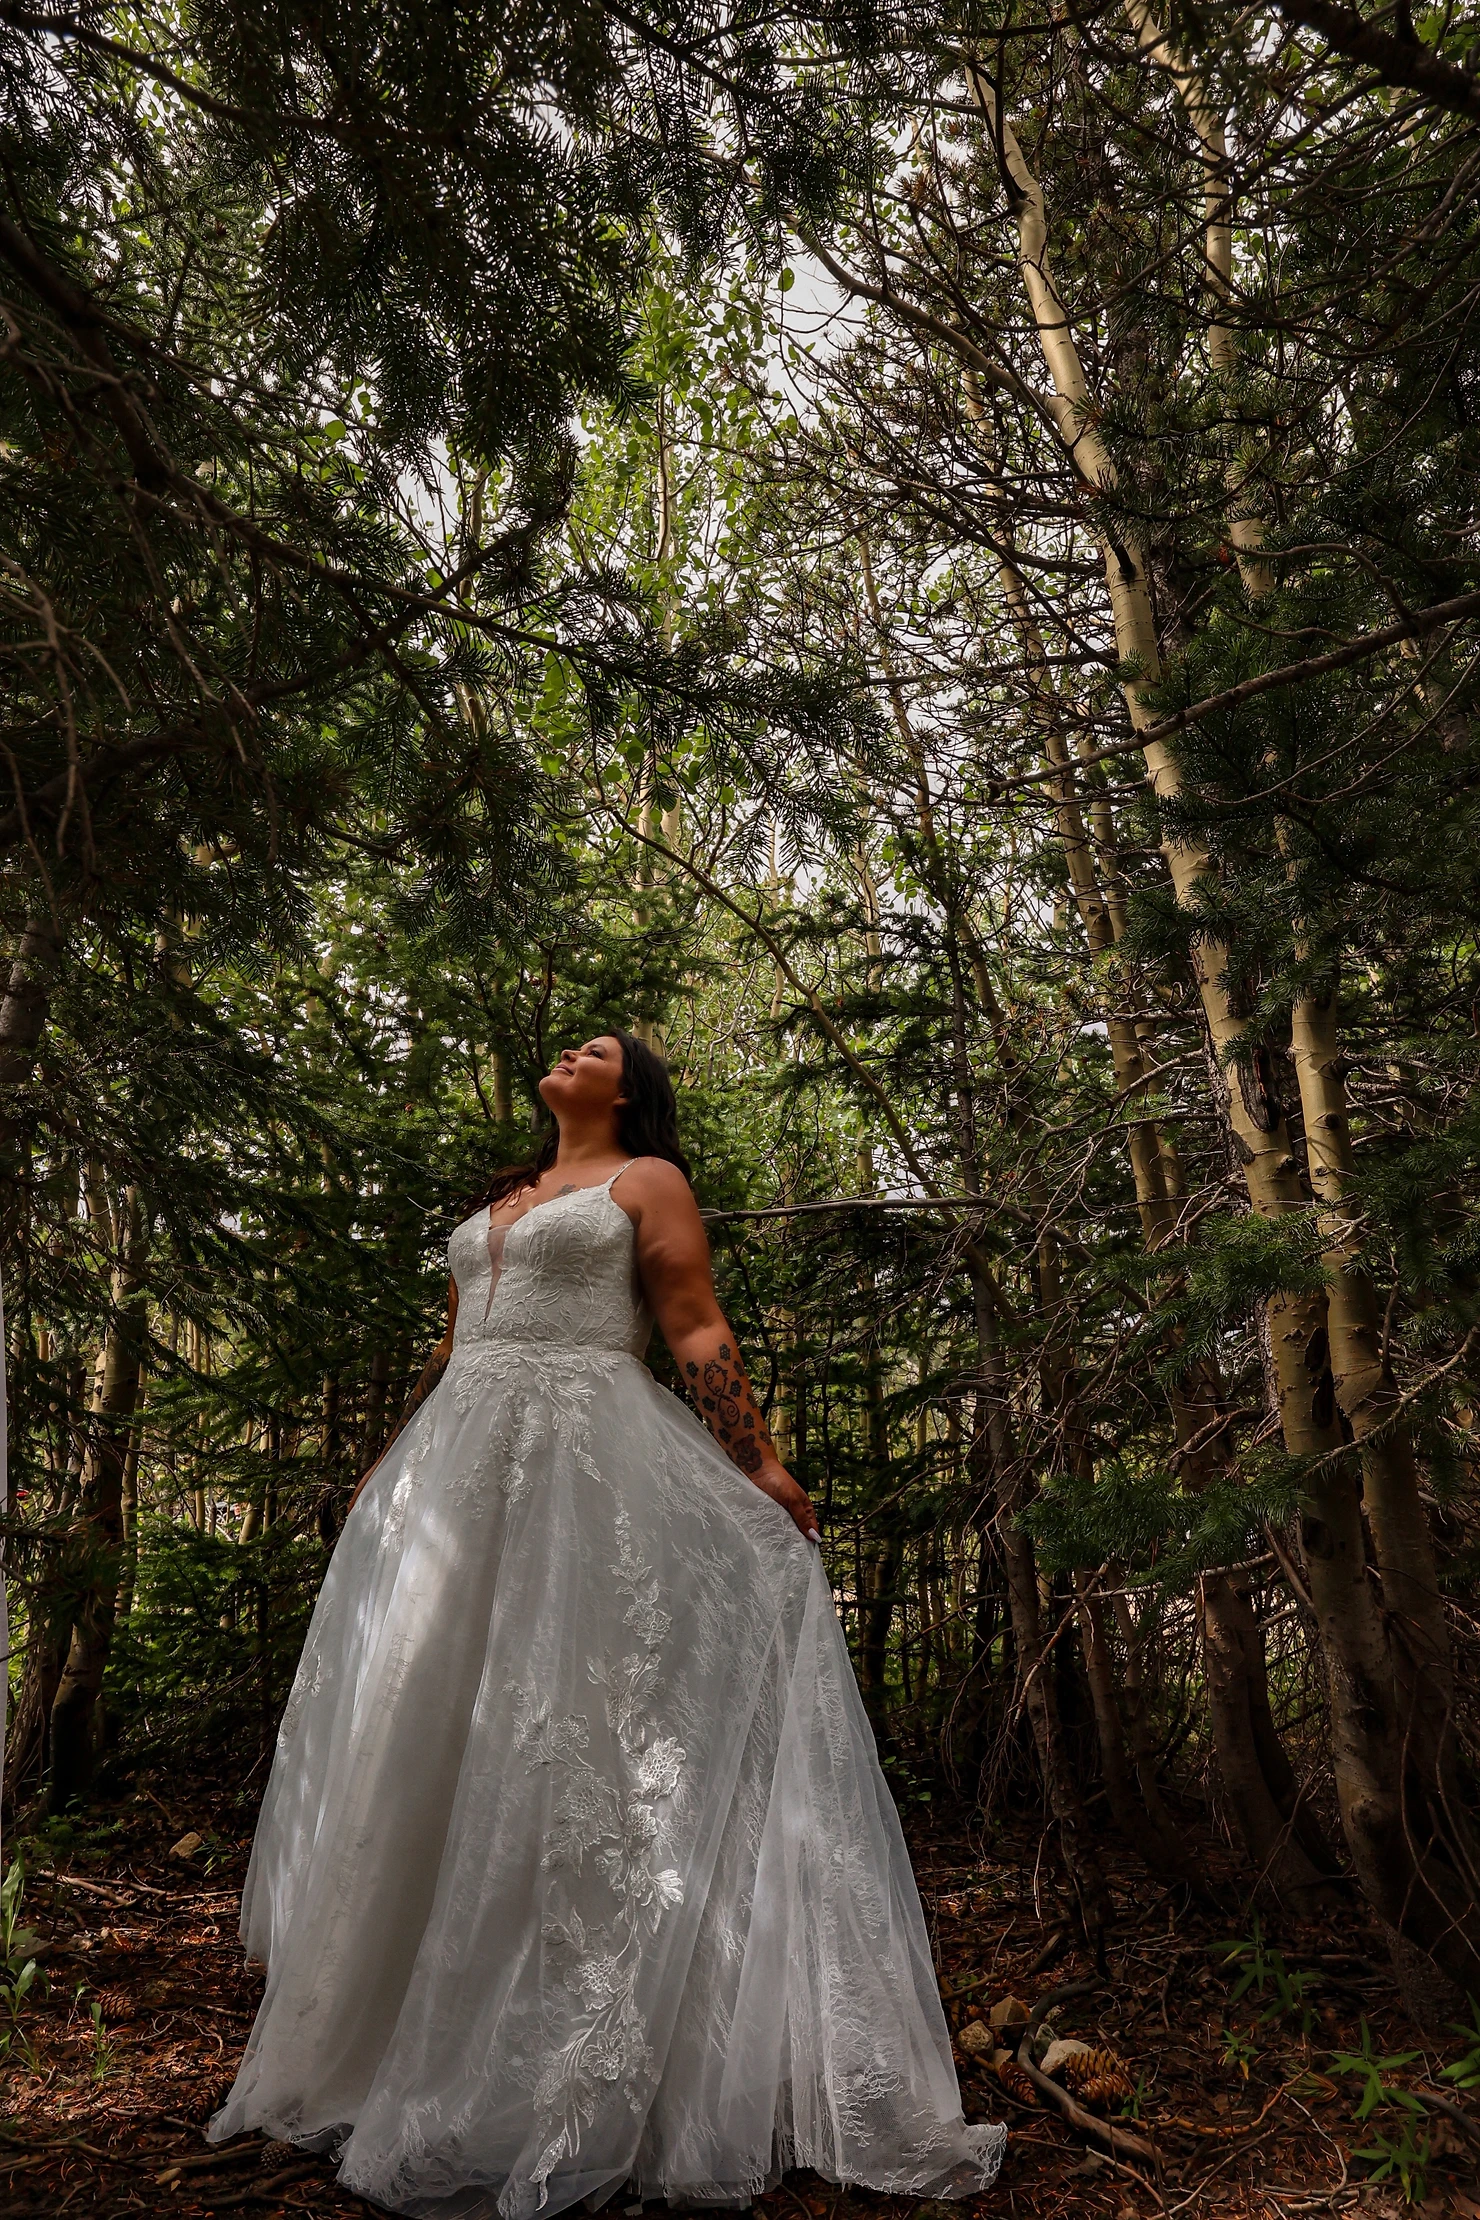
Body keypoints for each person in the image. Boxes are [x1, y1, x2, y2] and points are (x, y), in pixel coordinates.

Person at [210, 1031, 1005, 2219]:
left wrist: (765, 1465)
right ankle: (383, 2042)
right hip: (456, 1474)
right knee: (424, 1723)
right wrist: (386, 1484)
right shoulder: (503, 1198)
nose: (565, 1052)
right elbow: (450, 1353)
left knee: (575, 1726)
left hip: (589, 1462)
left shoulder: (646, 1182)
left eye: (591, 1047)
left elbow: (690, 1326)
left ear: (627, 1087)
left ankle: (577, 2047)